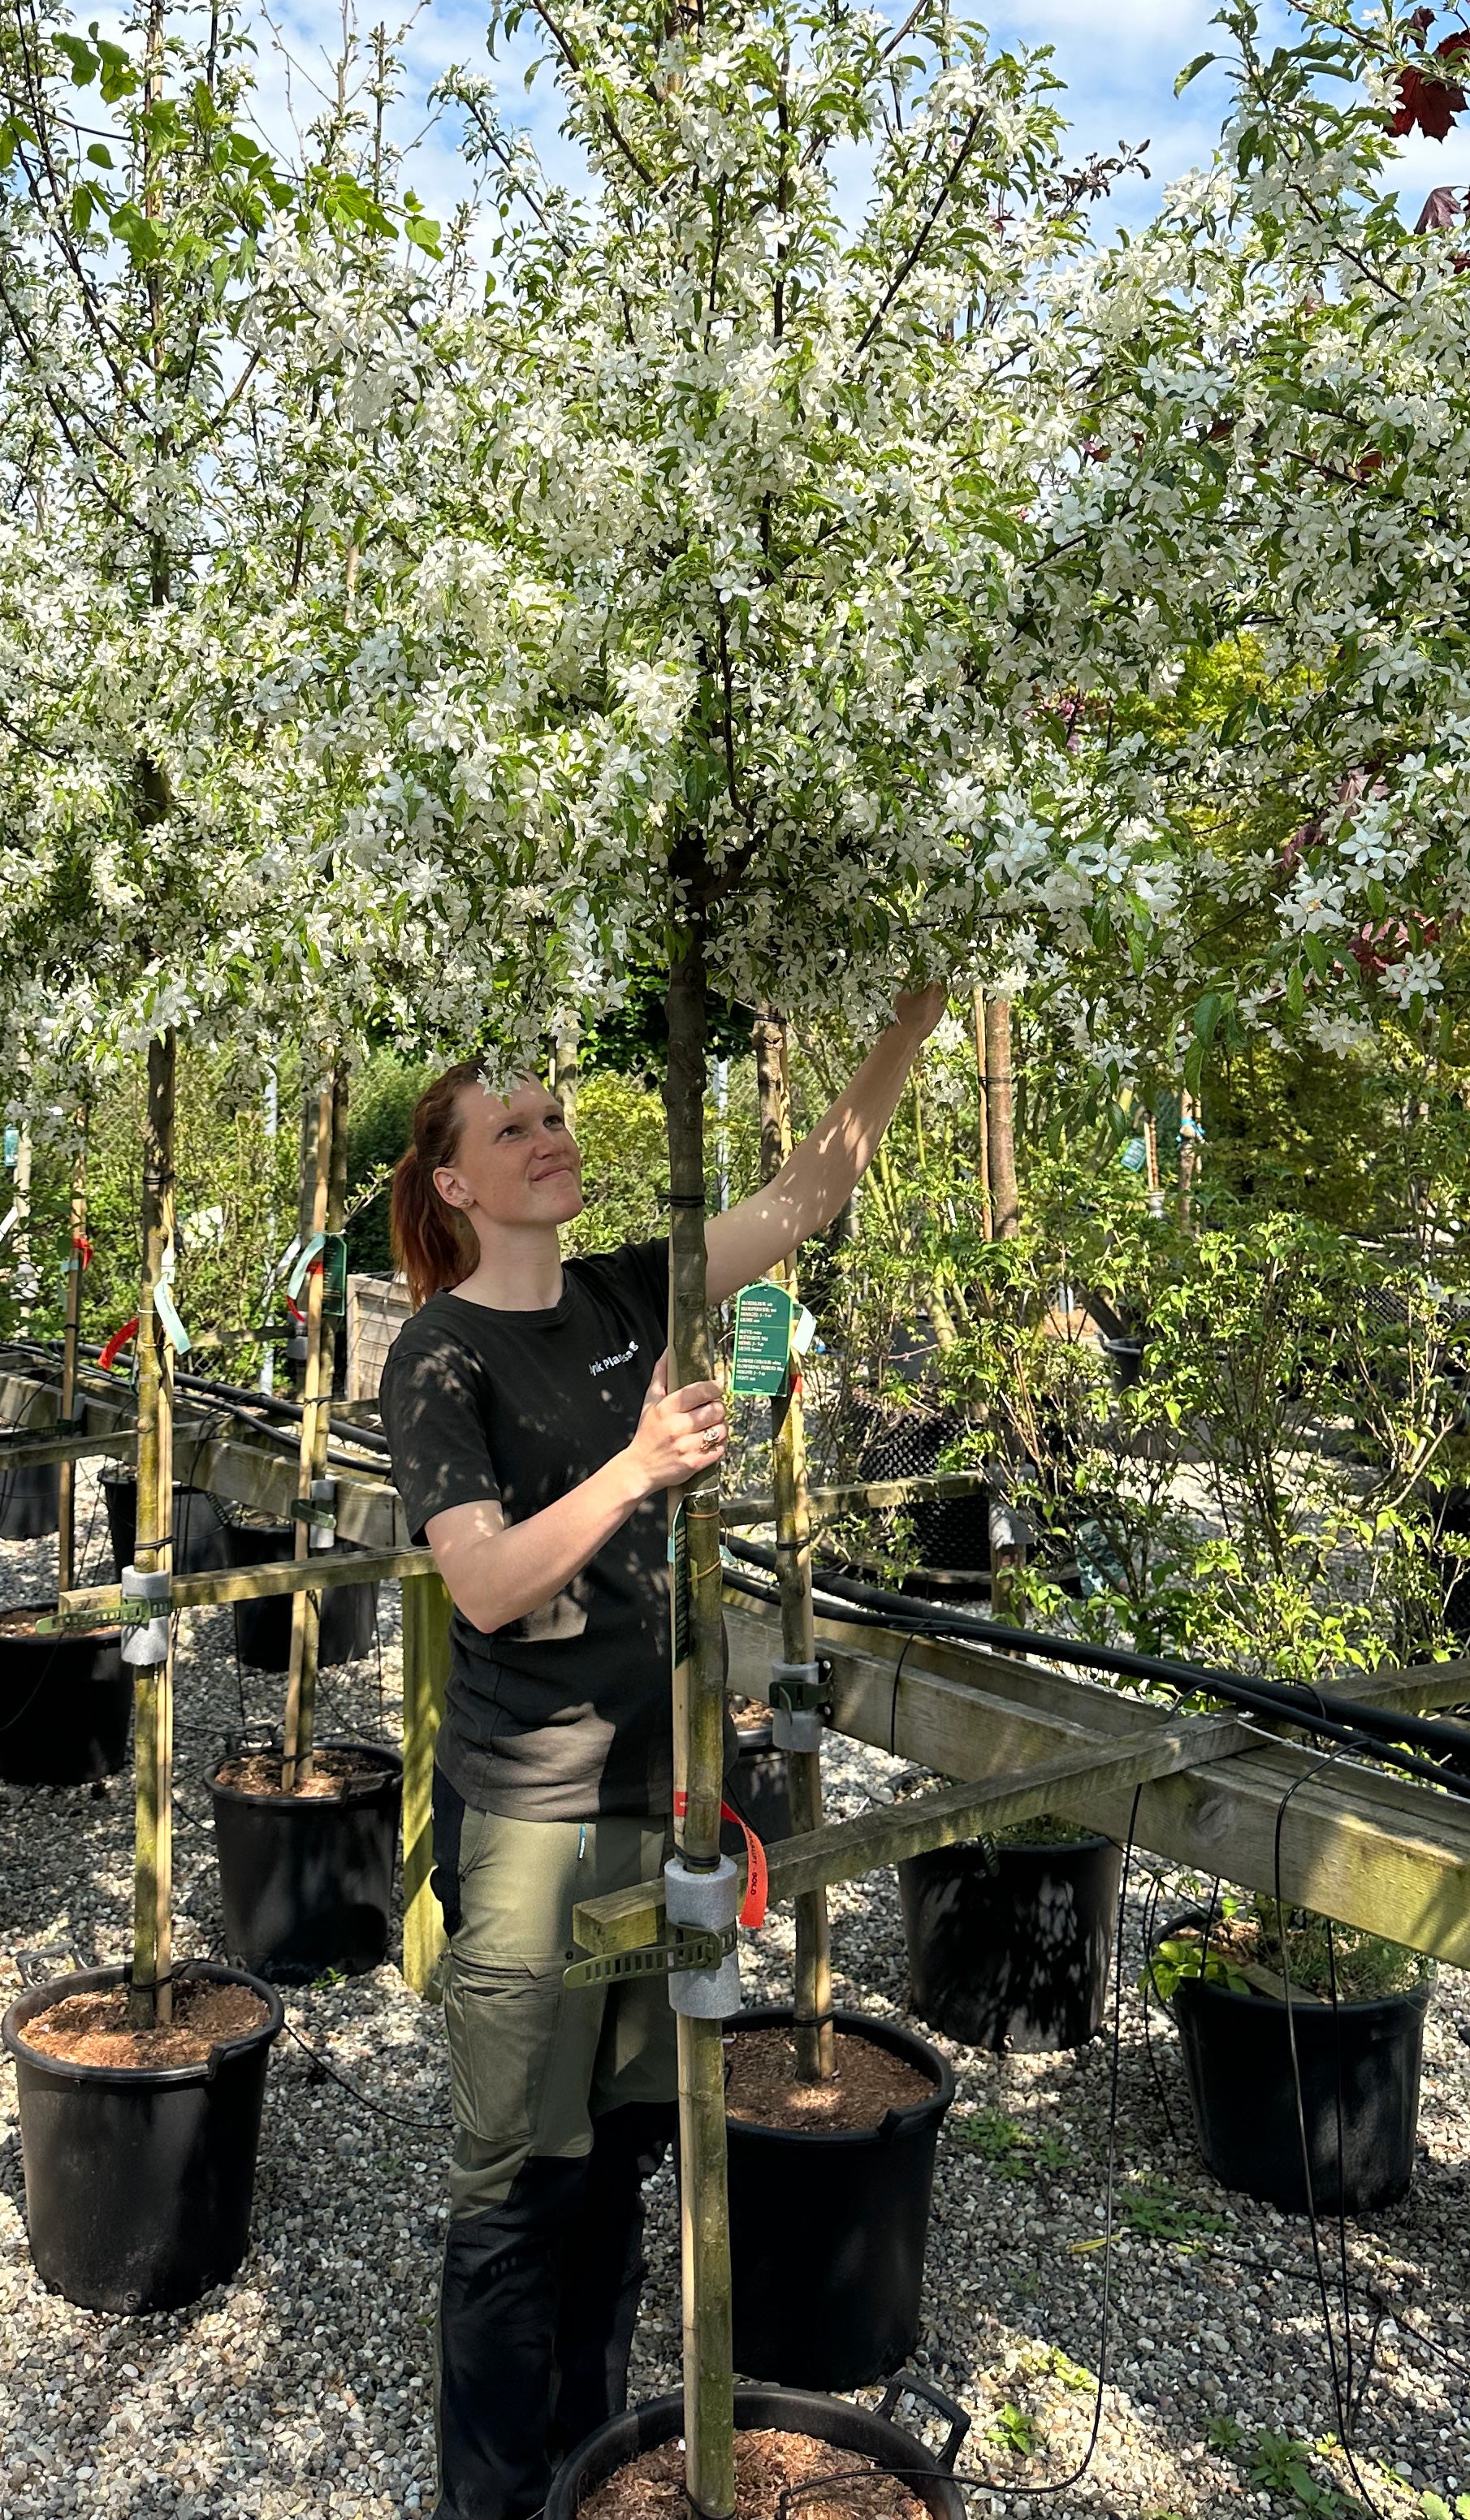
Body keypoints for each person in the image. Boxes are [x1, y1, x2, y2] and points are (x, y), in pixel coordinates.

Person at [378, 988, 948, 2520]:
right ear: (454, 1181)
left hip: (664, 1794)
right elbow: (485, 1585)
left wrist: (911, 1019)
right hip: (534, 1817)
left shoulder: (637, 1289)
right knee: (519, 2179)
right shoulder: (437, 1357)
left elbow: (810, 1193)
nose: (549, 1136)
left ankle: (584, 2469)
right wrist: (638, 1466)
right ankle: (491, 2501)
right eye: (512, 1127)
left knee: (627, 2153)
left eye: (554, 1114)